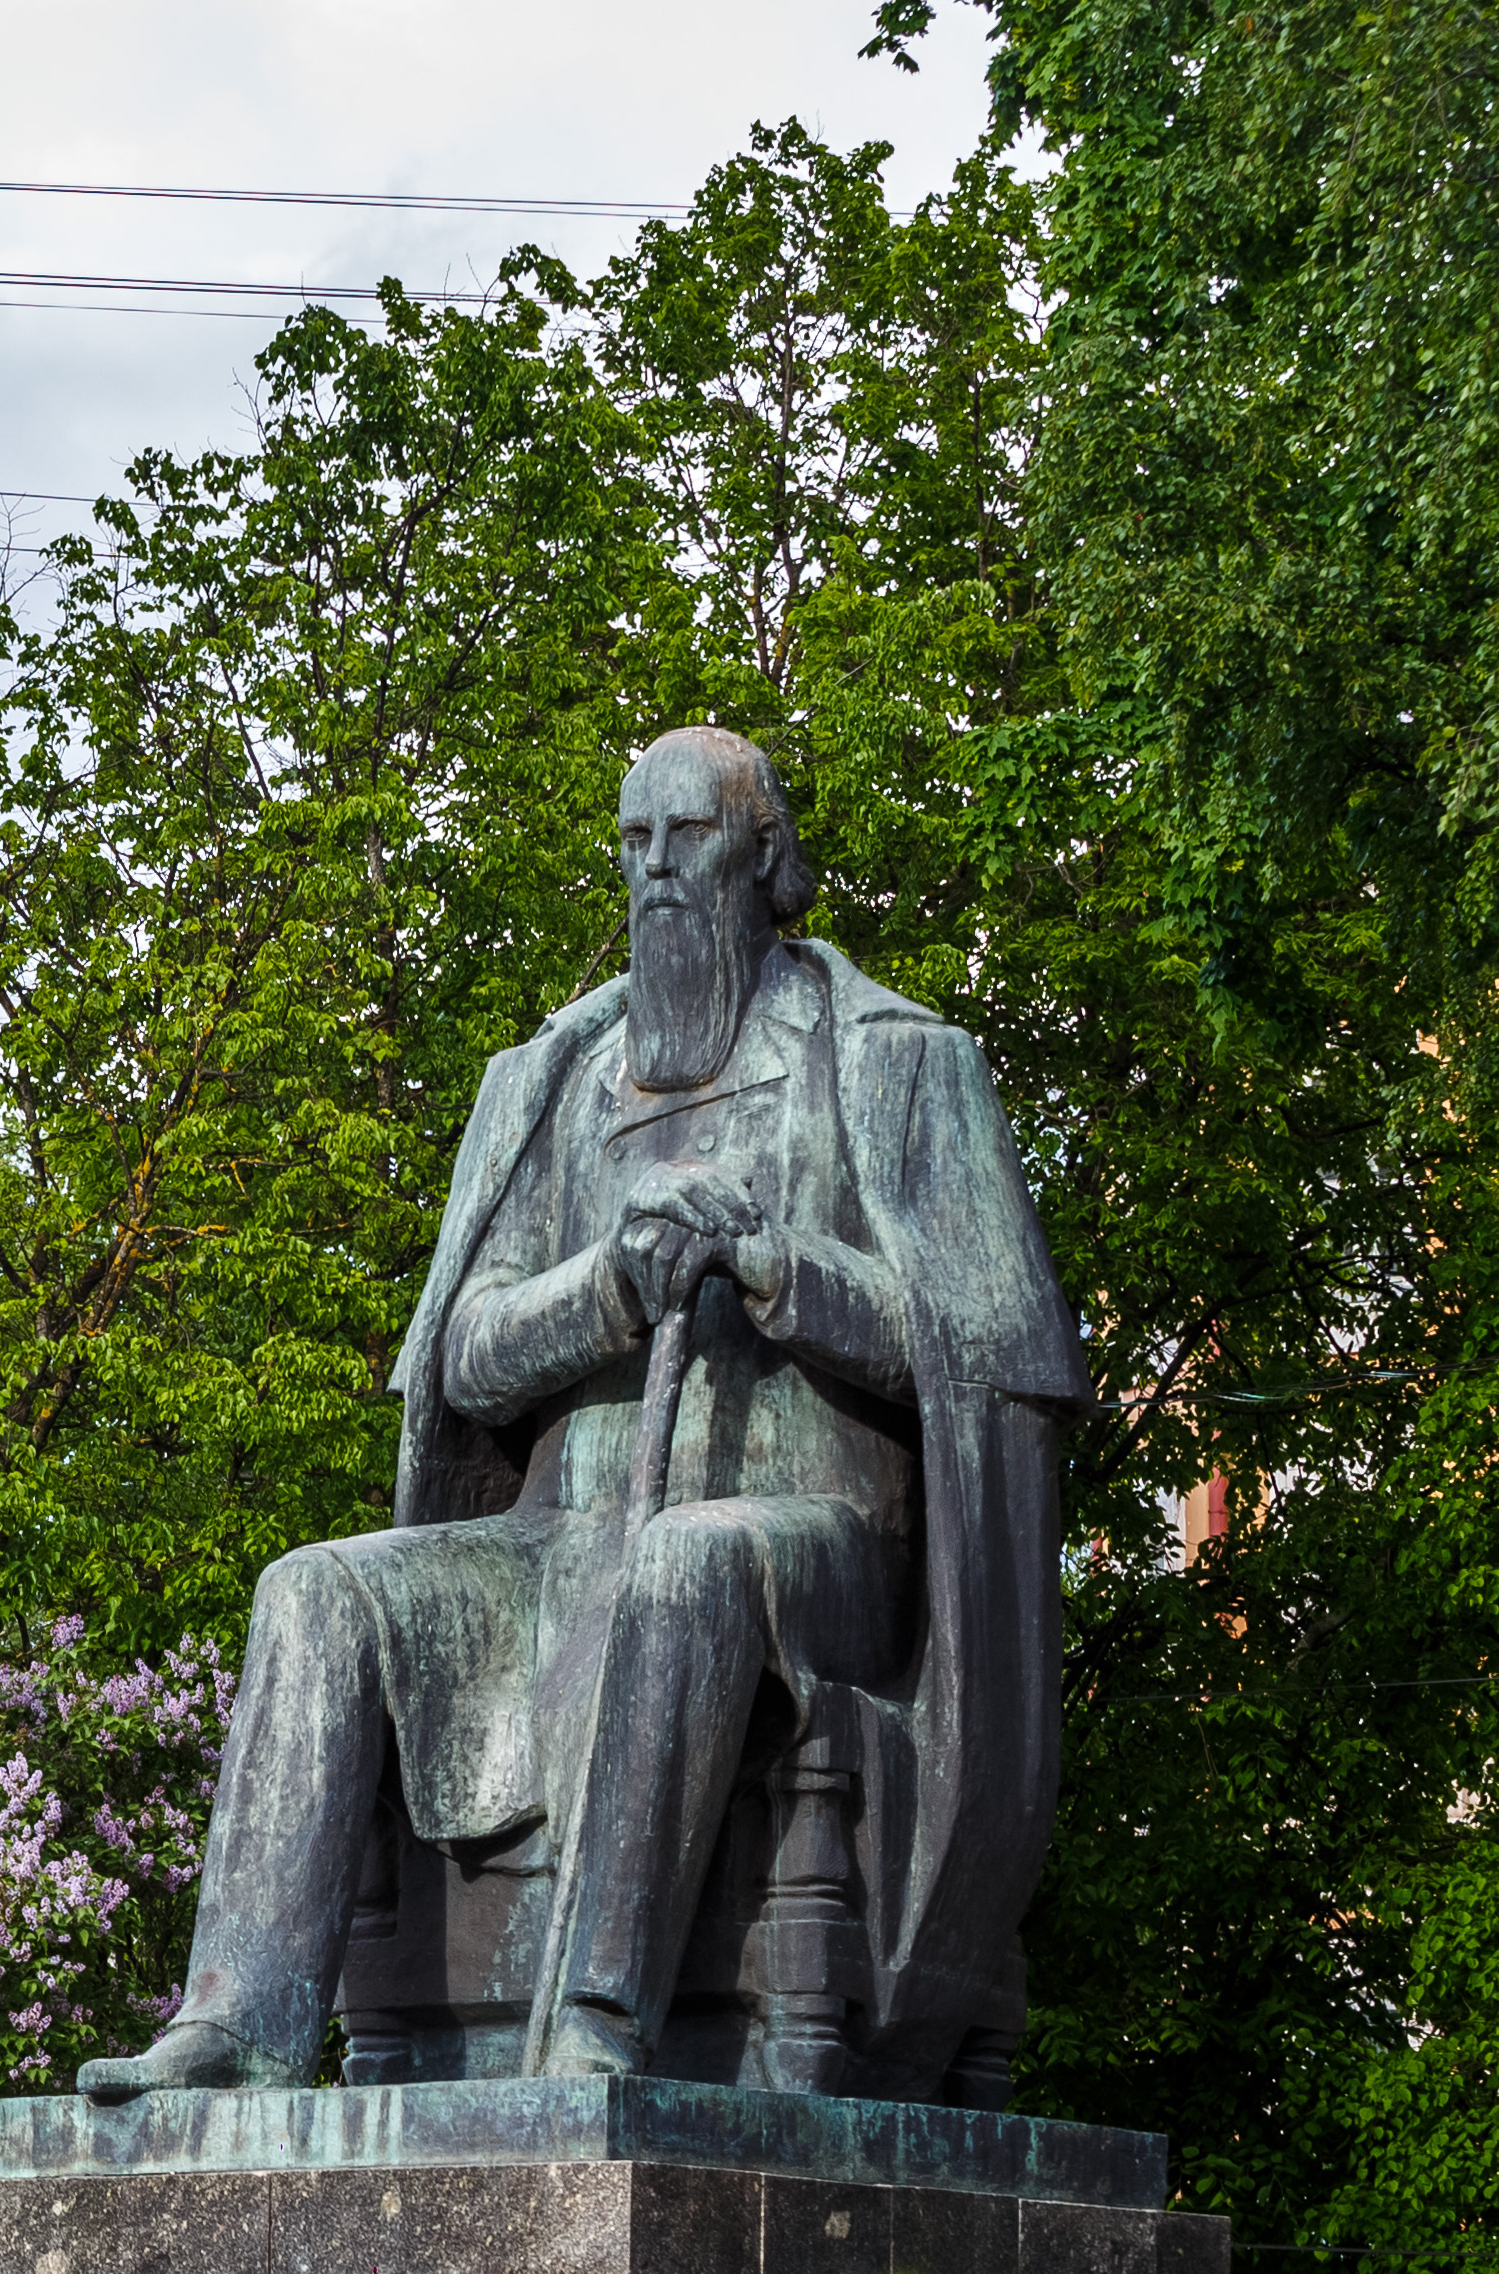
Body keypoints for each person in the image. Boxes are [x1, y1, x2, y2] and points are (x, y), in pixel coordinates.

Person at [79, 726, 1082, 2100]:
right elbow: (465, 1360)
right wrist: (608, 1284)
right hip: (557, 1546)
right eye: (634, 844)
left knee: (685, 1562)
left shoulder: (896, 1062)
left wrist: (782, 1267)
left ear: (770, 859)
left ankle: (596, 2027)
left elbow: (990, 1350)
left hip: (818, 1549)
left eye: (691, 838)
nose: (658, 870)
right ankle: (240, 2025)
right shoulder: (549, 1085)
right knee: (315, 1591)